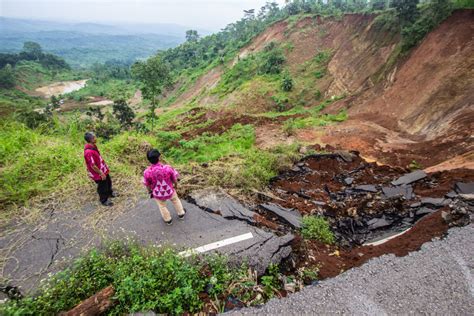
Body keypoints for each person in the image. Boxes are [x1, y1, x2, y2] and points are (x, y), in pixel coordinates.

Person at [143, 149, 185, 225]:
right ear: (159, 158)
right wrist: (176, 186)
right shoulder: (167, 168)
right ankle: (181, 214)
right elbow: (174, 178)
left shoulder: (147, 172)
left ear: (148, 160)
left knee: (162, 206)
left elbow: (147, 184)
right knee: (176, 200)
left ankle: (168, 220)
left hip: (158, 193)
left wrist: (150, 191)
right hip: (170, 190)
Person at [83, 132, 116, 206]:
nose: (96, 138)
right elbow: (93, 165)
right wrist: (101, 173)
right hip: (98, 172)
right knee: (102, 186)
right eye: (94, 137)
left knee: (108, 181)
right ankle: (104, 200)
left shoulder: (93, 146)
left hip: (102, 168)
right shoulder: (88, 152)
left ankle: (110, 193)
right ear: (91, 139)